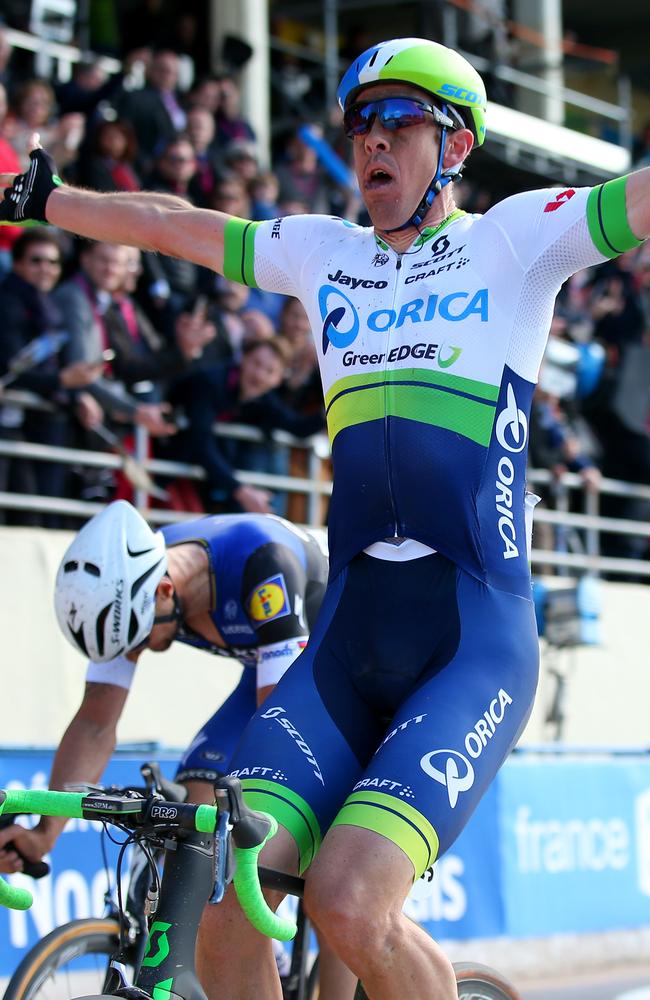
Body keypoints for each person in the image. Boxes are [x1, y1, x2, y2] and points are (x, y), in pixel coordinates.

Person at [1, 35, 648, 1000]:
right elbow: (176, 223)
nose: (371, 141)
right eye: (359, 124)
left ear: (457, 143)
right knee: (224, 896)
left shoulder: (515, 241)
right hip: (348, 639)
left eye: (398, 121)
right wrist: (49, 200)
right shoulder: (324, 254)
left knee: (348, 903)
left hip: (470, 643)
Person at [0, 500, 355, 996]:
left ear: (166, 590)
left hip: (342, 664)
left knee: (323, 873)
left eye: (139, 642)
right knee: (195, 805)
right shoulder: (133, 586)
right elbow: (95, 723)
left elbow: (279, 729)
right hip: (269, 666)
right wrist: (44, 833)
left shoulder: (262, 565)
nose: (134, 654)